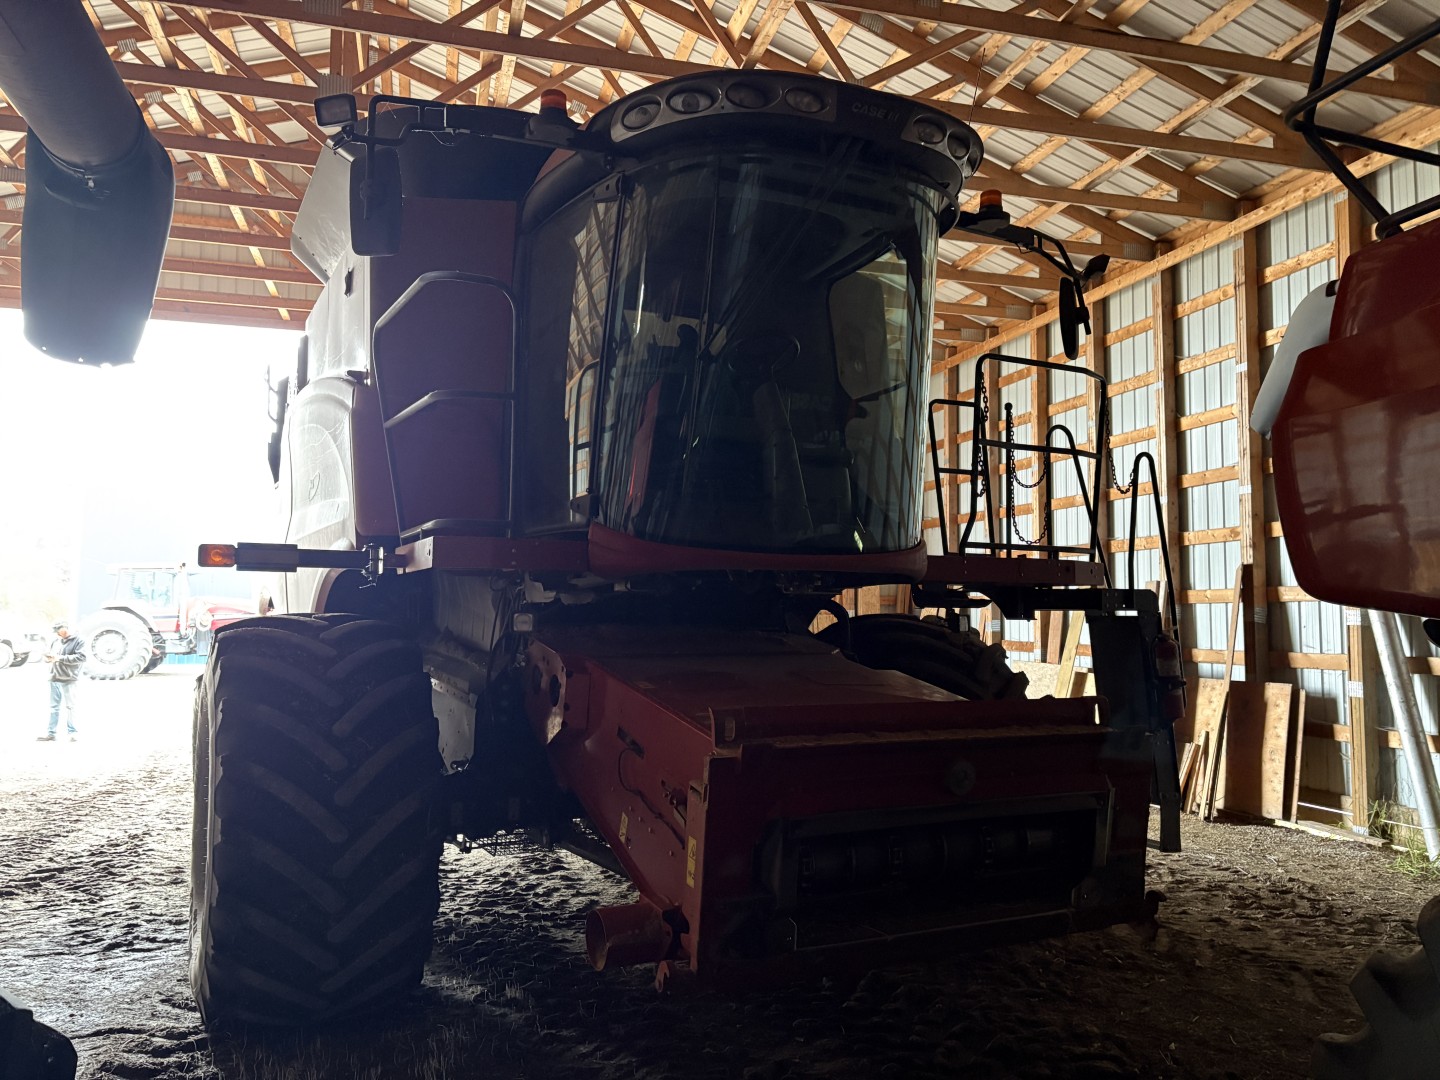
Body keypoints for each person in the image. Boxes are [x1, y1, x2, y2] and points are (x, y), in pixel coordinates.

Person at [37, 621, 85, 742]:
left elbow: (81, 657)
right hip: (54, 677)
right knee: (53, 707)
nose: (57, 634)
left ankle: (72, 733)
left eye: (58, 631)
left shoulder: (79, 640)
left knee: (70, 707)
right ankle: (51, 733)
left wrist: (60, 658)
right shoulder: (56, 641)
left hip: (69, 678)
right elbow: (51, 655)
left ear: (65, 628)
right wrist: (48, 659)